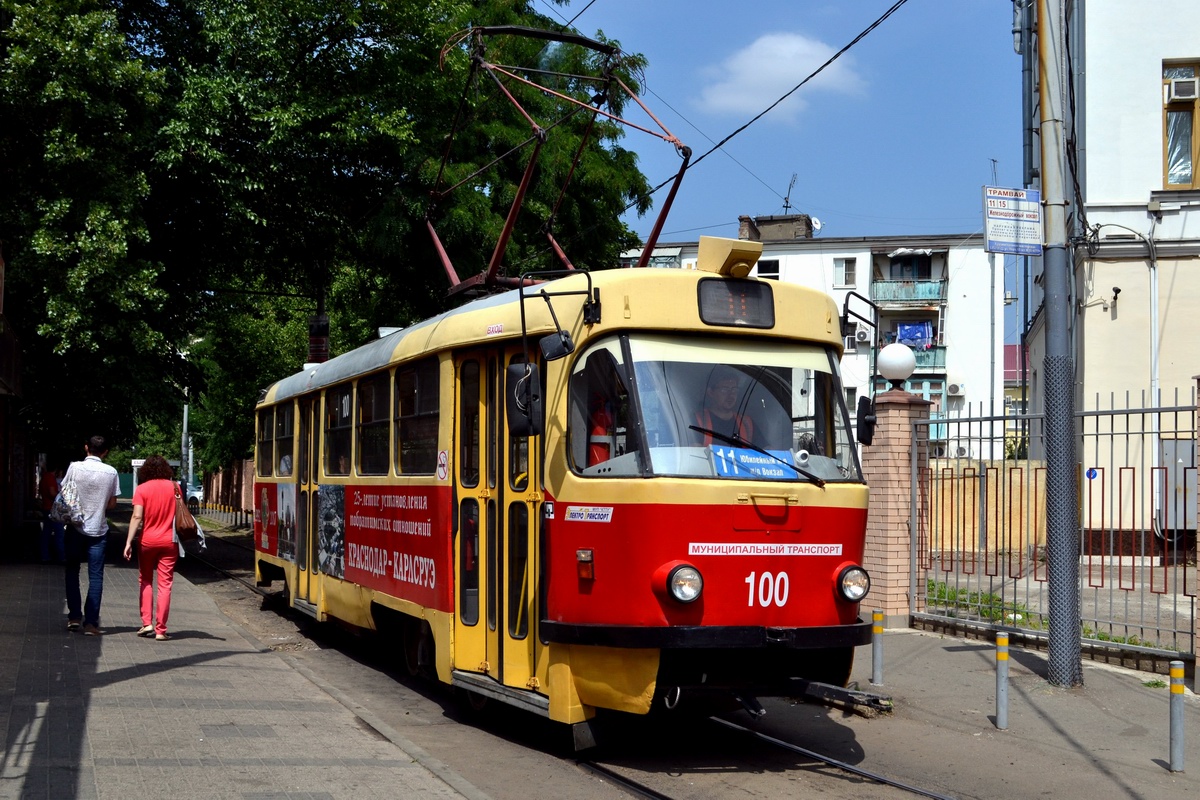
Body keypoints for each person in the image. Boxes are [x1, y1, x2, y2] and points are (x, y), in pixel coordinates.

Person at [64, 435, 121, 635]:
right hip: (99, 530)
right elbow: (113, 504)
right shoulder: (111, 472)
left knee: (72, 571)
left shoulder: (74, 467)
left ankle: (73, 617)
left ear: (86, 447)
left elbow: (66, 493)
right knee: (95, 576)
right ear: (105, 452)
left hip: (74, 528)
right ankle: (90, 624)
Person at [123, 455, 180, 641]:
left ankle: (146, 623)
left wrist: (128, 542)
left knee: (145, 580)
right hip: (169, 541)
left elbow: (137, 517)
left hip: (147, 541)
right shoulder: (175, 487)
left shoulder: (141, 489)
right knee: (165, 584)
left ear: (146, 470)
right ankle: (161, 630)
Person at [694, 366, 755, 446]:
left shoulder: (746, 423)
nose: (731, 395)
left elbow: (769, 450)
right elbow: (692, 451)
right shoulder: (697, 420)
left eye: (734, 390)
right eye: (724, 390)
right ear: (711, 392)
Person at [39, 464, 65, 563]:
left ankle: (45, 556)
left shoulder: (44, 477)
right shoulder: (50, 478)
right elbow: (52, 493)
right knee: (59, 533)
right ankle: (61, 557)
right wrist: (61, 495)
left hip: (46, 507)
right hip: (53, 509)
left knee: (46, 533)